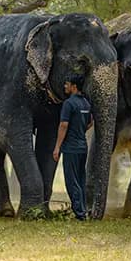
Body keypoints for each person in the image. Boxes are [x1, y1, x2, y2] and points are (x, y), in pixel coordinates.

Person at [53, 73, 93, 221]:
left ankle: (80, 214)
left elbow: (64, 125)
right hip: (83, 147)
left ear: (74, 87)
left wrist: (57, 147)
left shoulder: (69, 104)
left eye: (67, 84)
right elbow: (90, 123)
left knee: (72, 181)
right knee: (81, 180)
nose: (65, 86)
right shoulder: (86, 104)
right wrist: (80, 130)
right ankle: (83, 209)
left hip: (70, 148)